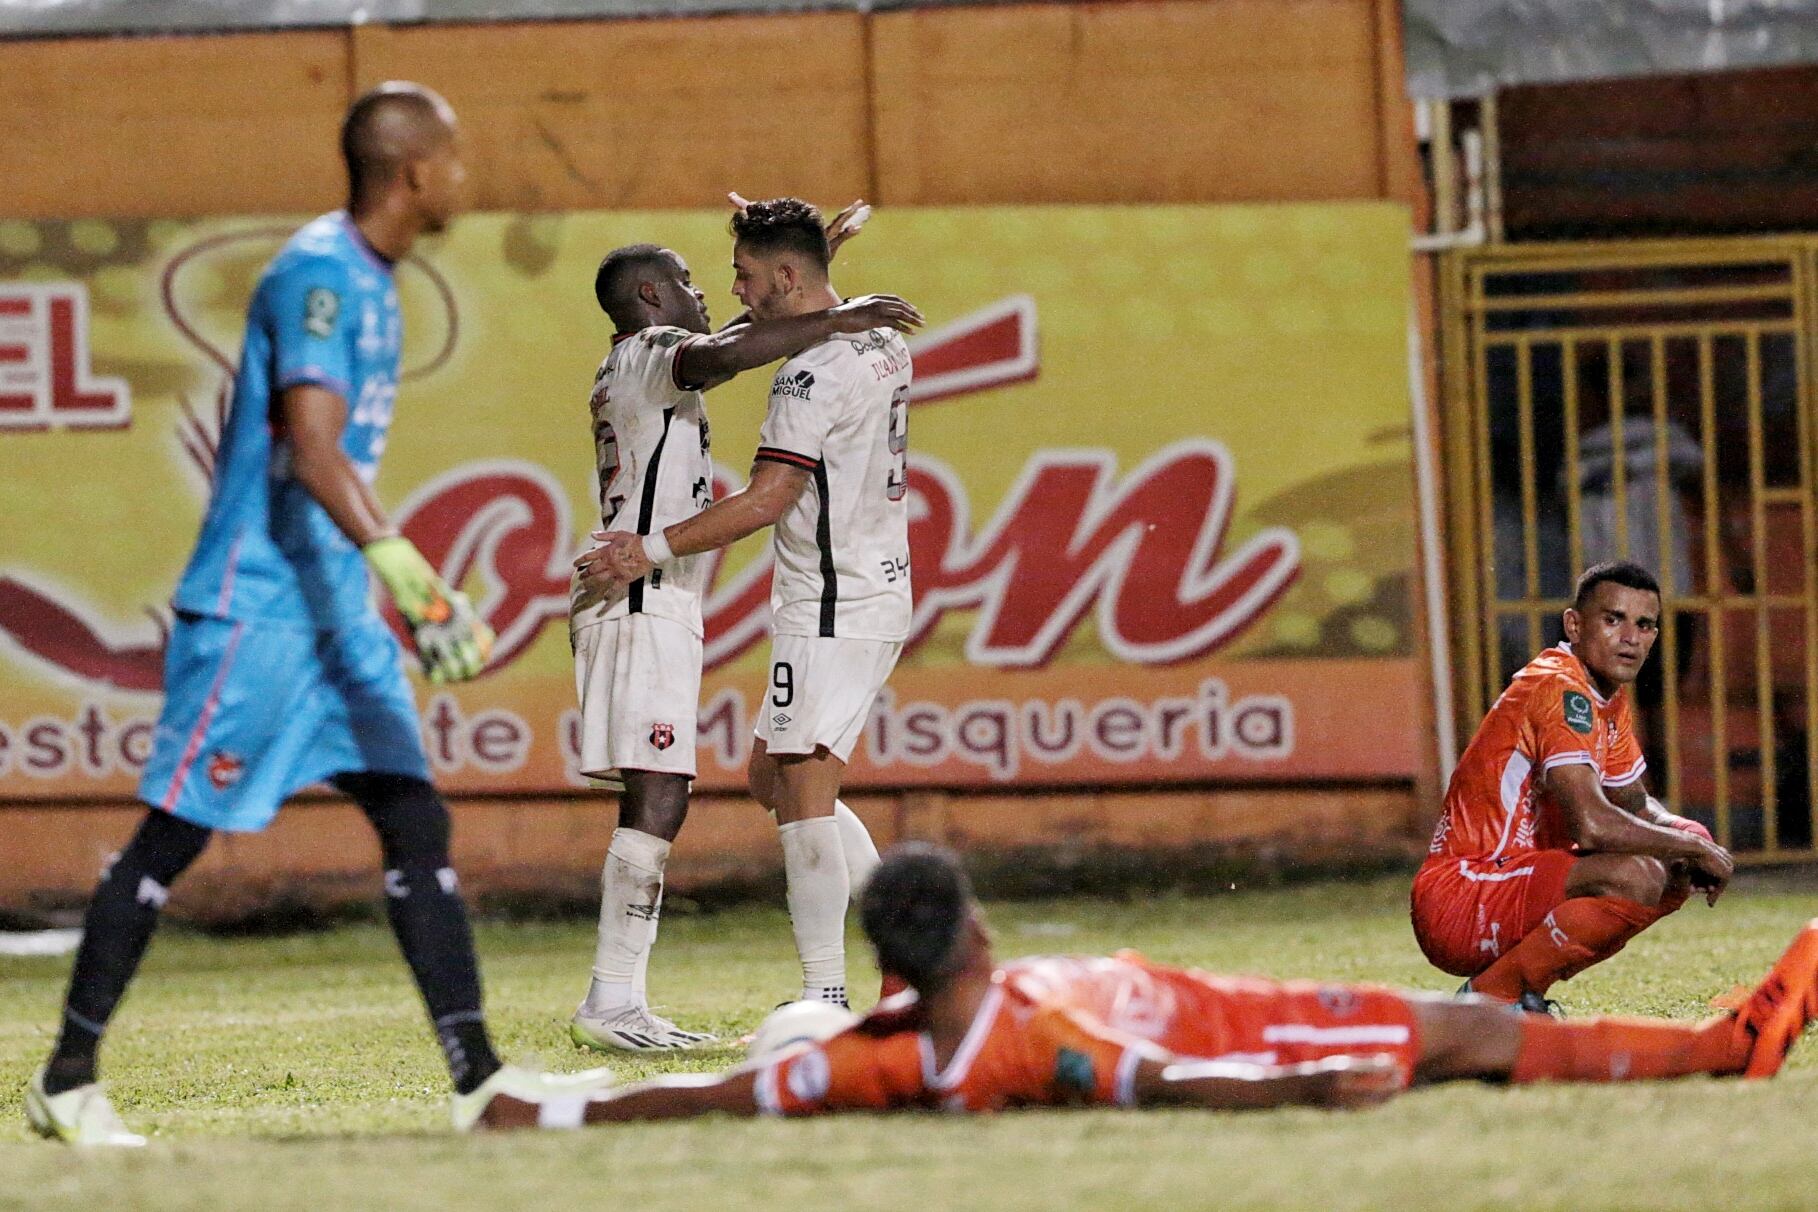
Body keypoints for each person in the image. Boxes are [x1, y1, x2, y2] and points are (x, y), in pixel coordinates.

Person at [26, 82, 558, 1146]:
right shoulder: (318, 274)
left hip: (334, 609)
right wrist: (409, 573)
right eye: (455, 158)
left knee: (413, 814)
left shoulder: (376, 282)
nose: (466, 177)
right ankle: (67, 1079)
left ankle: (479, 1078)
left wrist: (389, 586)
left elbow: (335, 460)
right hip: (259, 611)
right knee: (175, 835)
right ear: (414, 171)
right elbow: (312, 452)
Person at [463, 843, 1818, 1129]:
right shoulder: (1034, 1039)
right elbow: (1163, 1078)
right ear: (973, 936)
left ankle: (1723, 1047)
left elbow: (713, 1096)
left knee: (1466, 1032)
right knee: (1467, 1030)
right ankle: (1727, 1050)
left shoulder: (875, 1050)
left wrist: (553, 1108)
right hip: (1245, 1024)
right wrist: (1304, 1084)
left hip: (1200, 1005)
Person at [567, 234, 920, 1051]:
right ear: (650, 298)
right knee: (662, 793)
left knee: (766, 780)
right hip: (638, 589)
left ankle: (890, 959)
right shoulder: (654, 352)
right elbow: (727, 351)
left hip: (655, 591)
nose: (708, 293)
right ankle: (613, 1001)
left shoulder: (637, 361)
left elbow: (732, 342)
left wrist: (811, 277)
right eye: (689, 281)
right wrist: (833, 313)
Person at [1413, 560, 1735, 1012]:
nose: (1630, 637)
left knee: (1680, 849)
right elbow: (1592, 826)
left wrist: (1693, 840)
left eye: (1644, 624)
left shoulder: (1605, 695)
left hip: (1517, 880)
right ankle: (1496, 997)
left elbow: (1636, 804)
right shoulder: (1559, 688)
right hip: (1463, 893)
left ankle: (1513, 993)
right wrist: (1692, 847)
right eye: (1613, 619)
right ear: (1574, 625)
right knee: (1637, 873)